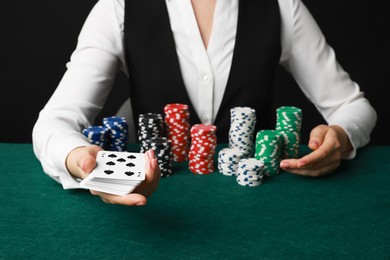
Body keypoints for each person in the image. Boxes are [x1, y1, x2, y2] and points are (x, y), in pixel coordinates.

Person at [32, 0, 377, 206]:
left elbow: (354, 106)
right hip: (157, 202)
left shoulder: (282, 7)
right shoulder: (118, 8)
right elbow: (54, 123)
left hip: (260, 202)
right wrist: (83, 160)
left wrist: (341, 135)